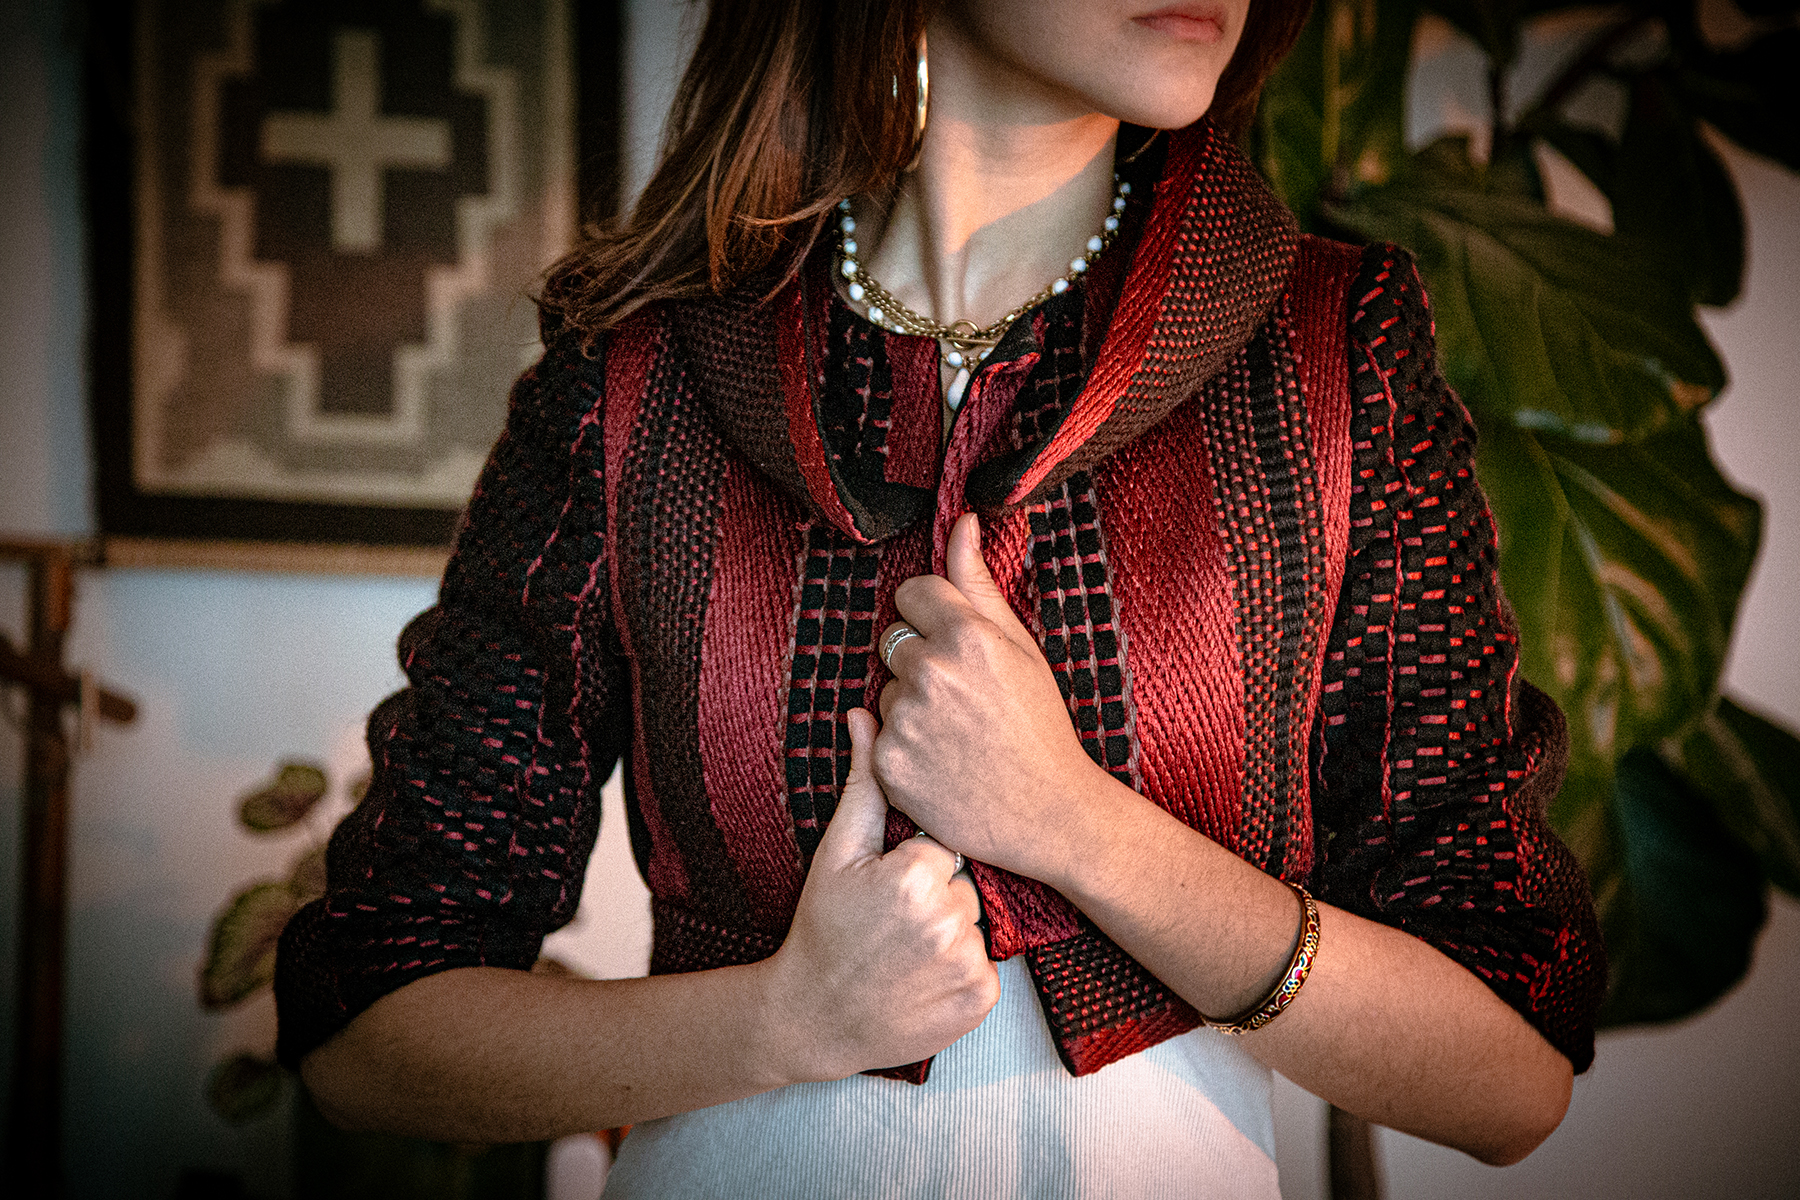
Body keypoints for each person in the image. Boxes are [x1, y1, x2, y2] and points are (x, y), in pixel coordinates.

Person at [275, 1, 1606, 1195]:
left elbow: (1511, 1079)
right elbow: (369, 1034)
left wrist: (1078, 828)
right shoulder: (634, 373)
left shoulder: (1332, 353)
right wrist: (787, 1022)